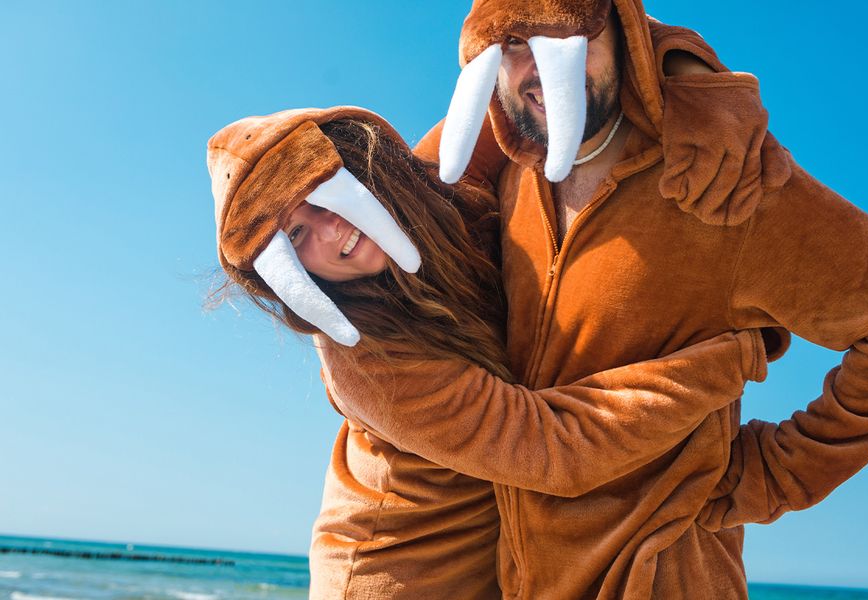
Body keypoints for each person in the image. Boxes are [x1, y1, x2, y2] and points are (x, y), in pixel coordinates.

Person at [412, 0, 868, 597]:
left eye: (571, 39)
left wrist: (770, 474)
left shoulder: (724, 181)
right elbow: (384, 212)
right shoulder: (506, 172)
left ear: (624, 37)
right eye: (515, 44)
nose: (541, 67)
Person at [207, 106, 768, 599]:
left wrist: (703, 84)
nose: (330, 235)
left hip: (497, 563)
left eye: (322, 199)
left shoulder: (445, 178)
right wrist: (732, 358)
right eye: (297, 237)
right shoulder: (367, 361)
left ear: (358, 165)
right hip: (398, 582)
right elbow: (556, 451)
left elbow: (540, 64)